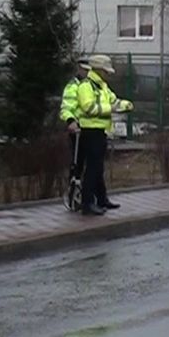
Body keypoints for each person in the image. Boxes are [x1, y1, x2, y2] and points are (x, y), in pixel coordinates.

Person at [75, 55, 133, 216]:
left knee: (98, 167)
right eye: (106, 71)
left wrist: (125, 105)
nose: (108, 74)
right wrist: (112, 109)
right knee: (92, 168)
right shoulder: (86, 86)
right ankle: (87, 203)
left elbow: (114, 101)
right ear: (98, 70)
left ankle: (101, 199)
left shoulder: (102, 86)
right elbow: (89, 107)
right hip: (90, 131)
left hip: (100, 132)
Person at [60, 58, 91, 182]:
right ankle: (74, 189)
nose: (86, 73)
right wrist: (71, 121)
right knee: (78, 161)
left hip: (92, 127)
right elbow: (66, 107)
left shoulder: (91, 85)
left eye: (88, 70)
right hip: (78, 128)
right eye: (84, 70)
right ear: (79, 69)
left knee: (92, 163)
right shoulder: (73, 86)